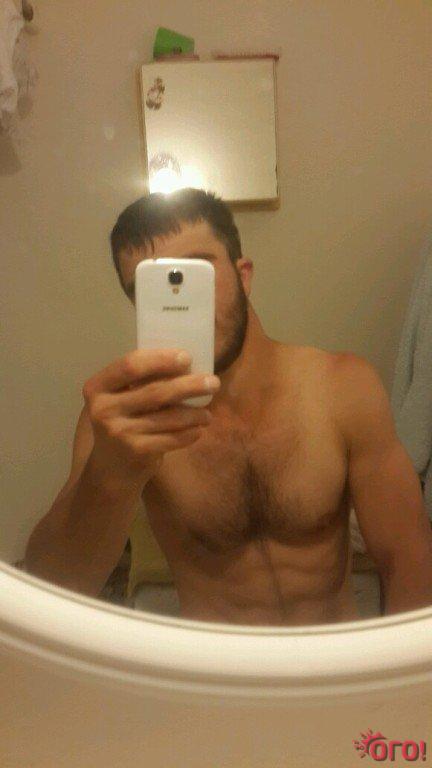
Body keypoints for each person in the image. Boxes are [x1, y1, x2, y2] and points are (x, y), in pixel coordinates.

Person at [24, 188, 432, 626]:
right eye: (152, 288)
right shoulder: (123, 421)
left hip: (332, 657)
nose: (183, 301)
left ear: (244, 275)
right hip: (215, 664)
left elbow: (408, 557)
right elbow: (55, 589)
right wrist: (109, 476)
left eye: (196, 271)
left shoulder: (343, 387)